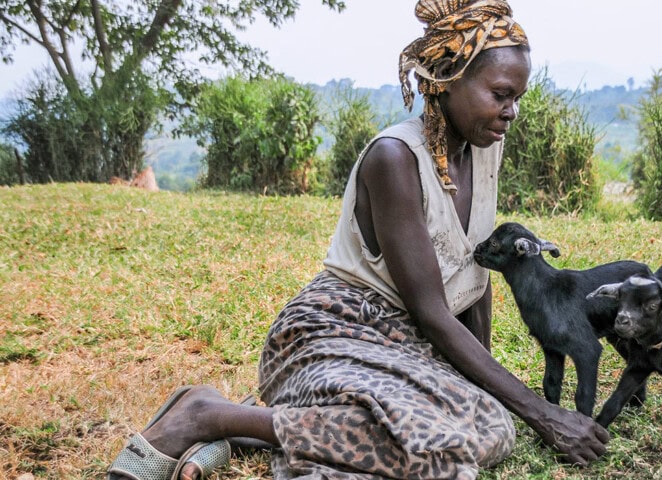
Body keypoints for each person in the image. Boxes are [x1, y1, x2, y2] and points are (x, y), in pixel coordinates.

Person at [107, 1, 609, 479]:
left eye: (517, 98)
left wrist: (482, 390)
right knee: (436, 443)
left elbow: (476, 273)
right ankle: (207, 417)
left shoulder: (483, 148)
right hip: (339, 330)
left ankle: (253, 429)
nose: (511, 112)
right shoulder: (394, 159)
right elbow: (433, 311)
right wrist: (544, 415)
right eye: (500, 95)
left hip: (408, 344)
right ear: (448, 79)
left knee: (490, 427)